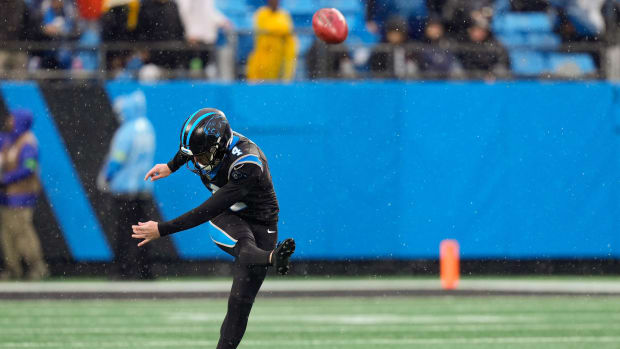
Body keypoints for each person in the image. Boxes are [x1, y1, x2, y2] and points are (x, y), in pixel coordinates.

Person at [132, 108, 295, 348]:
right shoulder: (209, 146)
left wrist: (162, 229)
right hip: (230, 216)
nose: (196, 161)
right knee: (242, 276)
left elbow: (208, 208)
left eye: (201, 156)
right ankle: (272, 257)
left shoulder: (247, 163)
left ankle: (271, 256)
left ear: (219, 147)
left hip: (260, 222)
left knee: (239, 303)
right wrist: (171, 165)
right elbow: (191, 150)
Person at [97, 90, 156, 280]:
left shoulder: (126, 131)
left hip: (124, 190)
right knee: (144, 232)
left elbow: (117, 159)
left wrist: (106, 176)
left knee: (124, 232)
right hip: (143, 189)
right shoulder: (148, 127)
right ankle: (145, 270)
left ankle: (123, 270)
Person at [0, 109, 48, 280]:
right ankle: (13, 269)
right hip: (6, 195)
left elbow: (28, 168)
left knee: (23, 232)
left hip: (22, 194)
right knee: (7, 233)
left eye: (13, 118)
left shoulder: (28, 142)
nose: (9, 121)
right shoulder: (8, 139)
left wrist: (6, 178)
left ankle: (37, 267)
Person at [246, 0, 297, 81]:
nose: (274, 3)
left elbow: (288, 31)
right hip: (265, 54)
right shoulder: (261, 13)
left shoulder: (284, 14)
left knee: (280, 80)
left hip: (281, 54)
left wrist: (278, 31)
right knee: (263, 81)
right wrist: (279, 31)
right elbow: (264, 28)